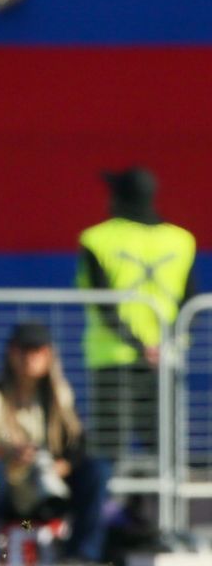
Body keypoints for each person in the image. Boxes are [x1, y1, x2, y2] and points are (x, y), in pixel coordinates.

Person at [0, 321, 109, 564]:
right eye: (24, 351)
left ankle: (80, 555)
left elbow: (78, 447)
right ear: (11, 353)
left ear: (48, 355)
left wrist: (61, 466)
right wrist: (10, 456)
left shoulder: (60, 398)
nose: (30, 358)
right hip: (4, 489)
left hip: (50, 493)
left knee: (98, 469)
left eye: (37, 351)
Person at [78, 168, 196, 461]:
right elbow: (190, 302)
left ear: (117, 198)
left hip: (113, 358)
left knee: (107, 451)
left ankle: (111, 506)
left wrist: (138, 345)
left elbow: (103, 304)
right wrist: (161, 344)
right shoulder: (181, 240)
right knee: (165, 448)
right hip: (165, 359)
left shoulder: (97, 239)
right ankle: (165, 507)